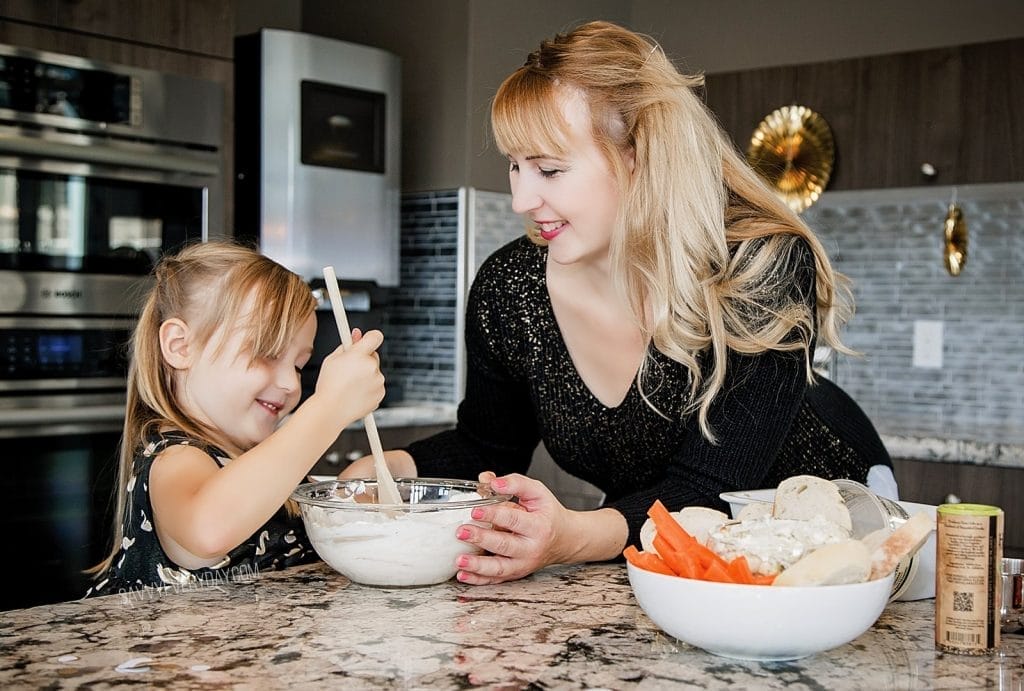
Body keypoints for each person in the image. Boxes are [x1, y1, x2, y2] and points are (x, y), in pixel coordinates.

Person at [342, 20, 893, 585]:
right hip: (665, 558)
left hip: (830, 533)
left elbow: (708, 490)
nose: (520, 199)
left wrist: (570, 537)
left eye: (549, 169)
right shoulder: (509, 288)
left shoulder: (759, 266)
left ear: (640, 156)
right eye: (514, 164)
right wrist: (381, 473)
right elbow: (487, 444)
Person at [88, 241, 385, 595]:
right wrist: (329, 407)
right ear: (181, 346)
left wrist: (381, 472)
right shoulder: (175, 458)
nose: (291, 383)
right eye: (266, 353)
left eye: (299, 365)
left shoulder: (253, 460)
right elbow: (208, 529)